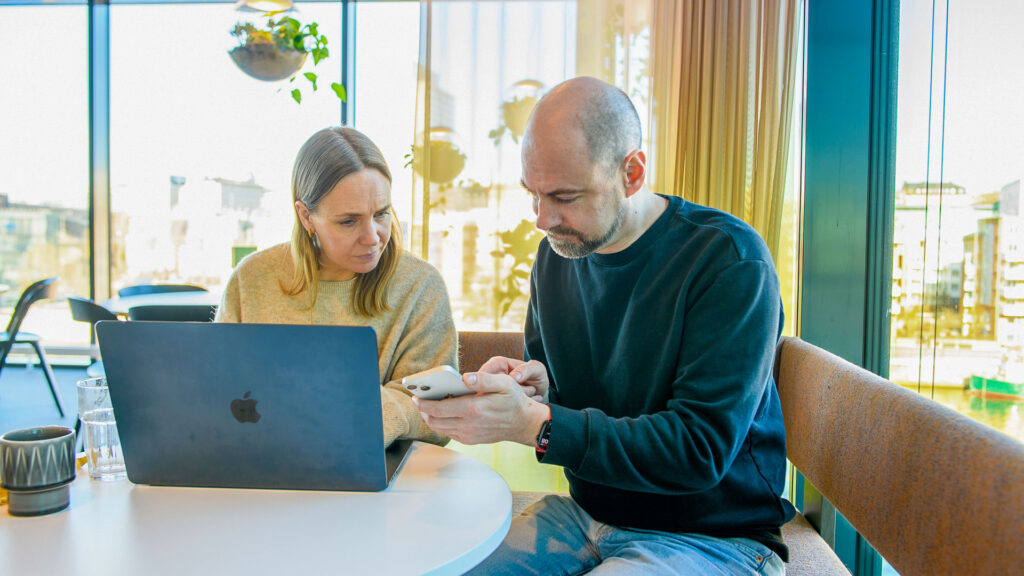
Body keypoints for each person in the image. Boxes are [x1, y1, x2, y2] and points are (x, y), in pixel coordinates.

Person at [413, 77, 795, 574]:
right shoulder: (559, 255)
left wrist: (536, 424)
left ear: (631, 173)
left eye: (565, 197)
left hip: (713, 536)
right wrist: (536, 391)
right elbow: (574, 399)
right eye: (533, 195)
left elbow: (698, 450)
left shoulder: (728, 260)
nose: (542, 220)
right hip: (584, 516)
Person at [217, 126, 455, 448]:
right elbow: (221, 394)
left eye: (381, 214)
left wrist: (364, 417)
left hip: (381, 474)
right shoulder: (251, 280)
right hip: (263, 459)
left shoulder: (420, 285)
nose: (373, 237)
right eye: (348, 221)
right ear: (306, 217)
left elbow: (442, 412)